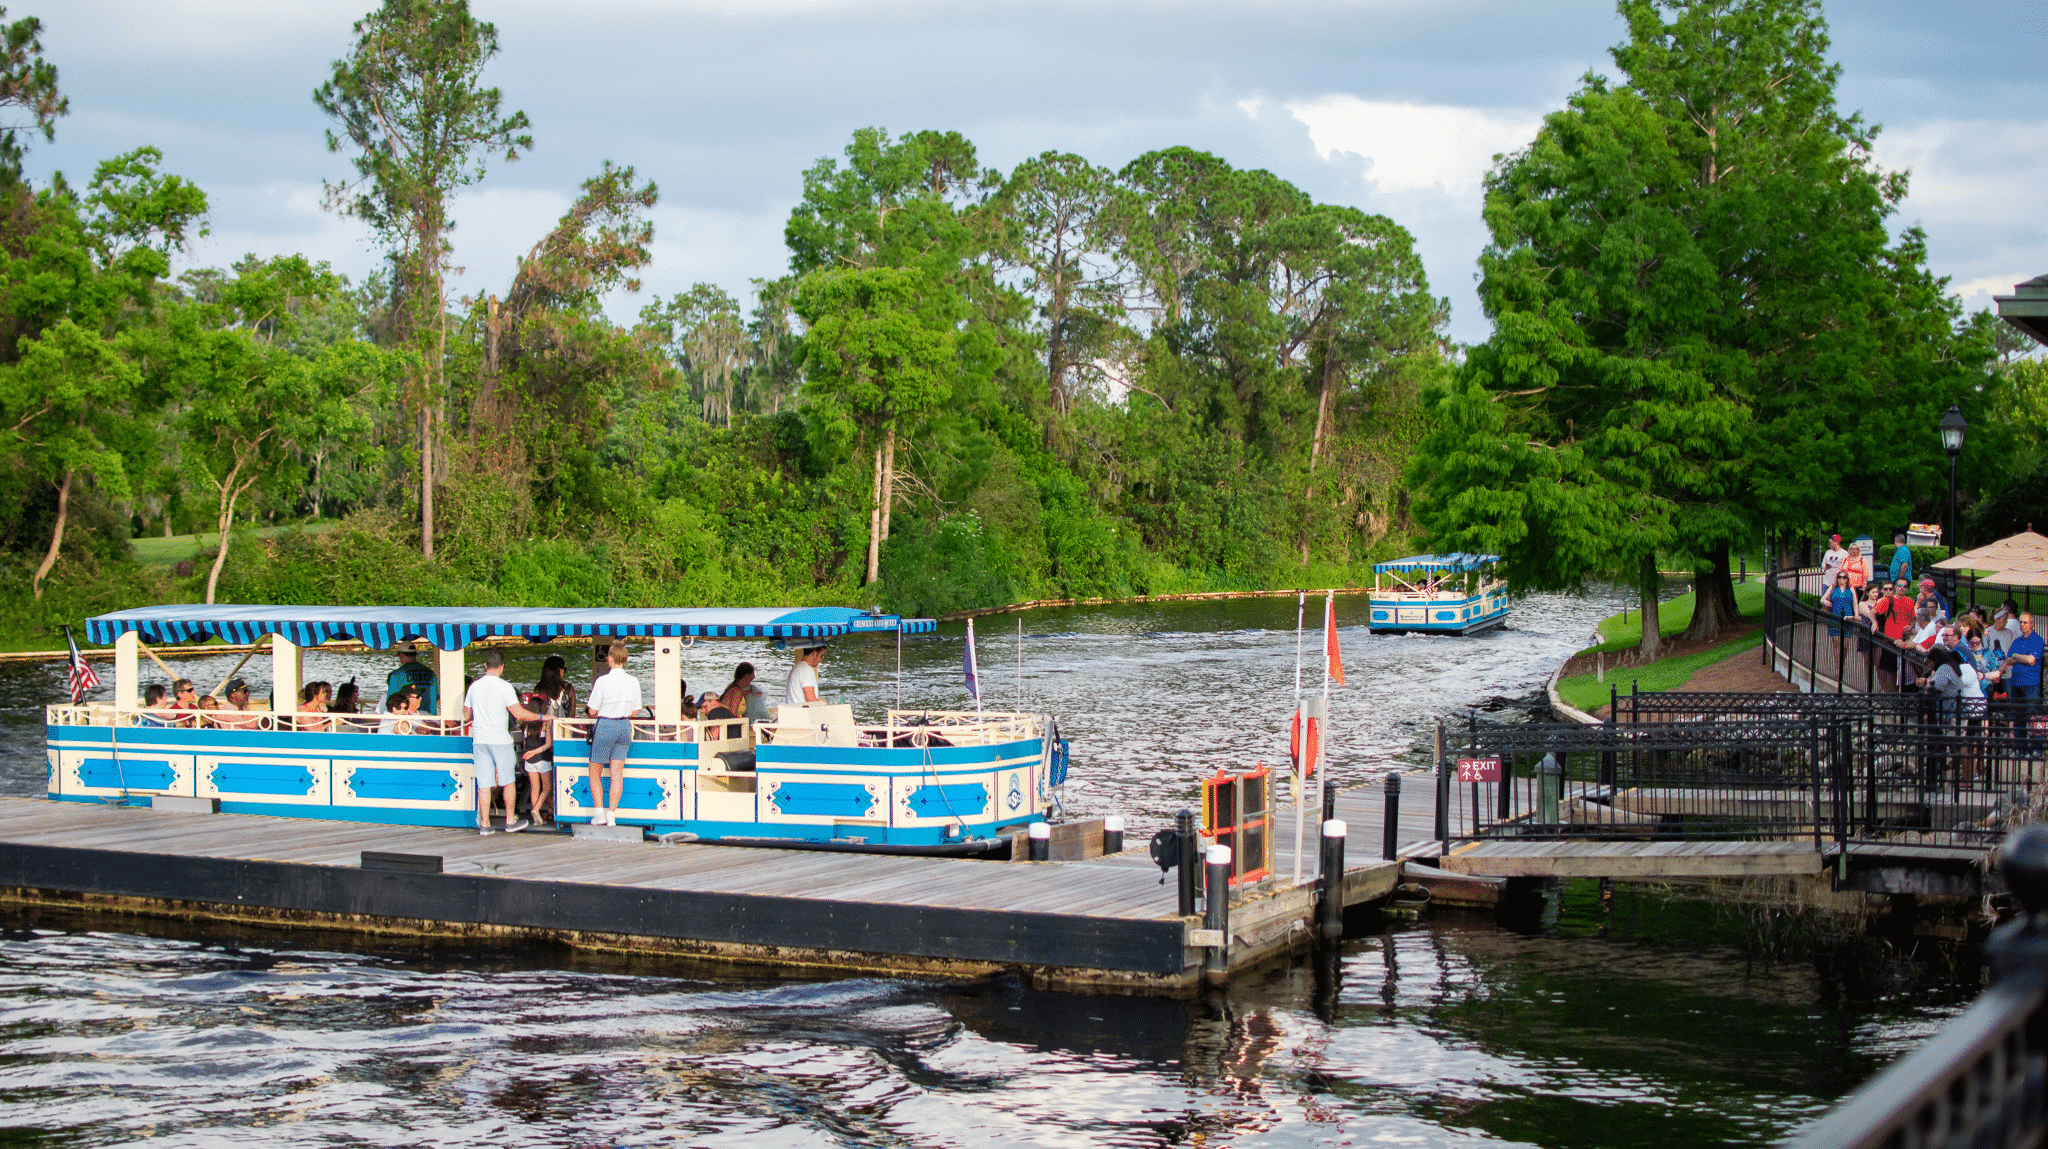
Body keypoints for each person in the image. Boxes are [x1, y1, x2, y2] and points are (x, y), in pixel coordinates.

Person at [466, 649, 544, 835]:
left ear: (485, 666)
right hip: (500, 740)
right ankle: (510, 820)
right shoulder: (505, 687)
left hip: (479, 740)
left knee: (484, 783)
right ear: (502, 667)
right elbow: (518, 713)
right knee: (508, 780)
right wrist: (541, 716)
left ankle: (485, 824)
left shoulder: (474, 687)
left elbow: (467, 714)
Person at [585, 644, 644, 826]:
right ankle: (612, 814)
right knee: (617, 772)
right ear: (625, 660)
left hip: (606, 725)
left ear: (609, 659)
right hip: (624, 726)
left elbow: (593, 710)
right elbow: (635, 711)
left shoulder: (602, 681)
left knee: (595, 770)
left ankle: (599, 813)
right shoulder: (633, 681)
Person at [520, 655, 576, 827]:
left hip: (541, 736)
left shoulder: (538, 688)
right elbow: (572, 714)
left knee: (541, 780)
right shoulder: (568, 689)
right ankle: (555, 808)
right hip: (563, 735)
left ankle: (542, 809)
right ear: (560, 670)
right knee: (558, 774)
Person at [386, 645, 438, 717]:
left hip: (409, 719)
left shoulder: (396, 675)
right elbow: (437, 696)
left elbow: (391, 701)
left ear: (401, 655)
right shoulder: (431, 673)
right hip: (431, 719)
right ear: (415, 654)